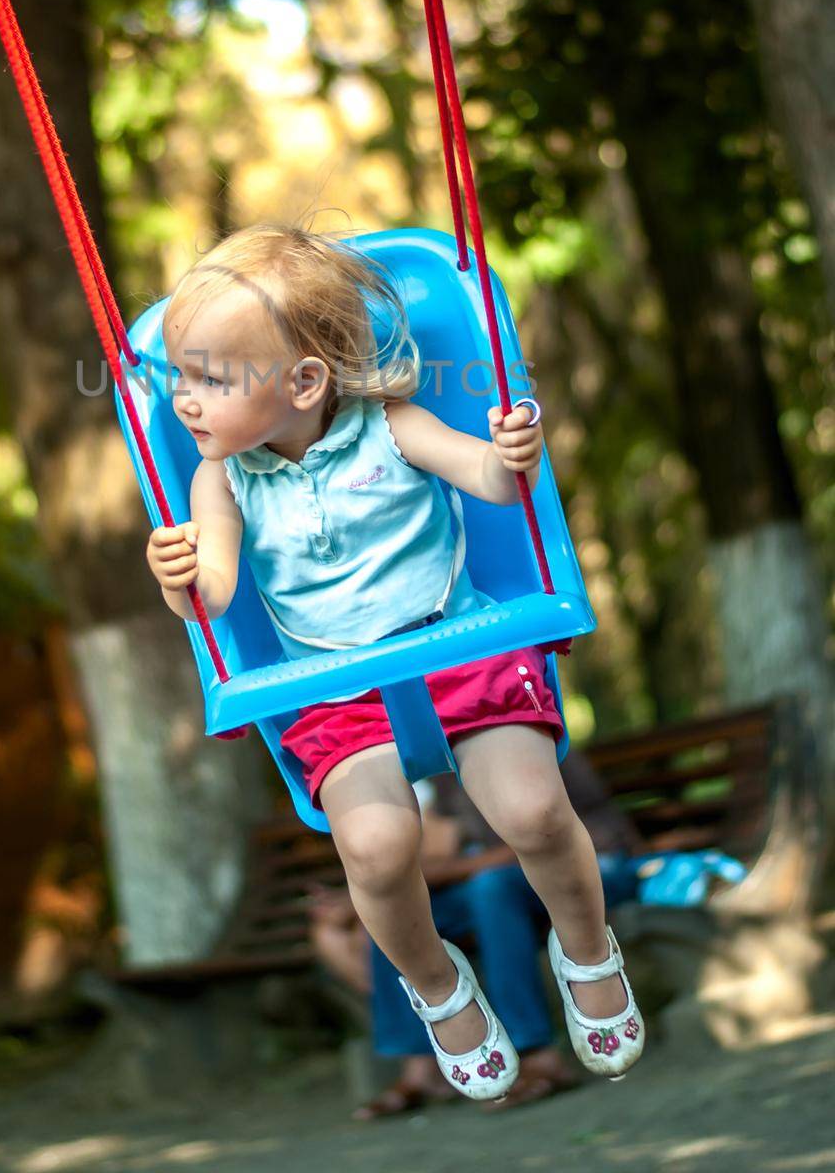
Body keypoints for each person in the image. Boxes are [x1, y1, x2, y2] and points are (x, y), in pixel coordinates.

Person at [146, 222, 645, 1101]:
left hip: (459, 649)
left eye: (209, 380)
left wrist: (512, 457)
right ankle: (437, 987)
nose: (184, 401)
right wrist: (181, 576)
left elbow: (488, 481)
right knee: (375, 852)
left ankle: (586, 946)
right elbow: (217, 595)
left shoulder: (392, 426)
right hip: (341, 693)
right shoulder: (218, 481)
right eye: (181, 376)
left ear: (305, 382)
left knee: (532, 810)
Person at [309, 755, 641, 1118]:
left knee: (491, 886)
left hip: (593, 867)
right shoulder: (439, 769)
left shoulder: (525, 743)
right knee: (396, 916)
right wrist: (369, 894)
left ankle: (539, 1056)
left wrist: (465, 864)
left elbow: (549, 834)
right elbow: (439, 857)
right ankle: (421, 1069)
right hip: (501, 884)